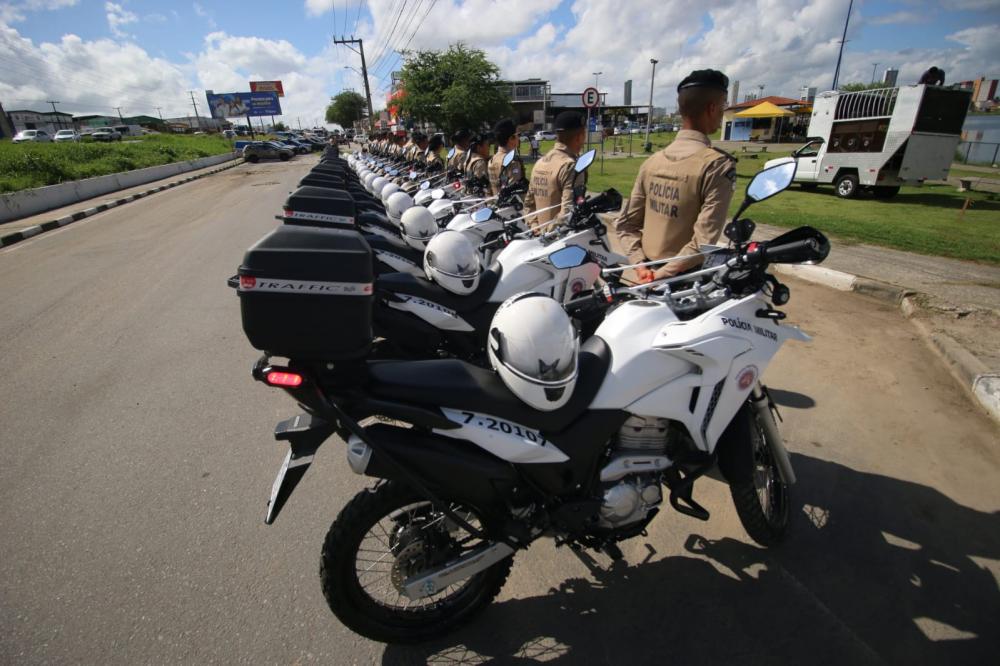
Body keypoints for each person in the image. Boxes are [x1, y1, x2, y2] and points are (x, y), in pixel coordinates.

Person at [614, 69, 738, 281]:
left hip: (647, 274)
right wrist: (660, 275)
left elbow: (626, 225)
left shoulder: (652, 162)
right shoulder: (717, 165)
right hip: (686, 282)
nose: (722, 113)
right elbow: (704, 241)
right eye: (723, 106)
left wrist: (641, 265)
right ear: (712, 108)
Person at [523, 111, 586, 228]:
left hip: (537, 233)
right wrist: (549, 232)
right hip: (560, 236)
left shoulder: (540, 163)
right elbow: (568, 210)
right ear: (579, 137)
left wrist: (534, 226)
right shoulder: (570, 166)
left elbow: (528, 204)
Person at [488, 119, 525, 195]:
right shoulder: (512, 162)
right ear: (511, 139)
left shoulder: (492, 159)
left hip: (495, 200)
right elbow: (515, 194)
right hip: (508, 202)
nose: (519, 138)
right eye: (518, 135)